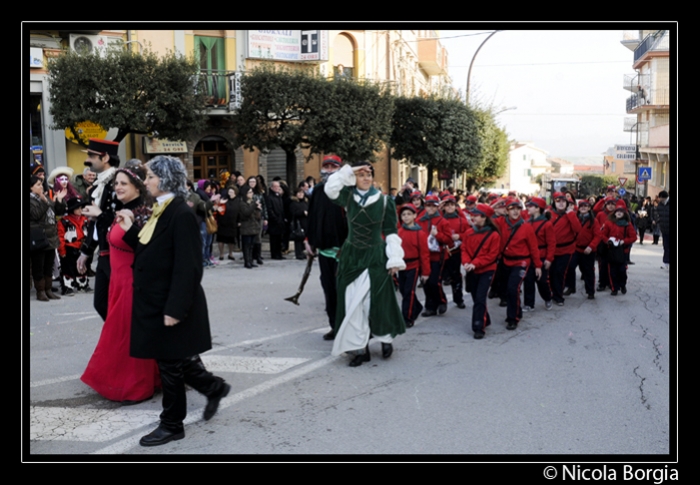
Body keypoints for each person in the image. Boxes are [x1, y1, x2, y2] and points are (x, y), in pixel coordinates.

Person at [124, 155, 230, 447]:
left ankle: (172, 424)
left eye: (150, 177)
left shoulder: (180, 213)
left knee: (170, 364)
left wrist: (175, 308)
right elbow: (151, 250)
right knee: (175, 358)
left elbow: (189, 266)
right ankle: (214, 387)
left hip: (170, 302)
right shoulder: (162, 209)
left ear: (166, 180)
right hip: (157, 299)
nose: (145, 182)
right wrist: (129, 227)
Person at [80, 166, 161, 404]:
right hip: (118, 280)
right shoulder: (119, 208)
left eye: (123, 183)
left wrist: (122, 223)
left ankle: (134, 385)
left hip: (133, 282)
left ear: (137, 185)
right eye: (116, 183)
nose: (118, 187)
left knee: (126, 334)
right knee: (122, 332)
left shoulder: (144, 211)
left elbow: (147, 249)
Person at [325, 161, 406, 367]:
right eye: (361, 175)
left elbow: (390, 231)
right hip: (352, 256)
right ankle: (360, 348)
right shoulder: (348, 197)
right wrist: (349, 170)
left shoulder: (385, 201)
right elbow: (330, 188)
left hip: (375, 256)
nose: (365, 178)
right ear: (355, 178)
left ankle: (386, 338)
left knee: (378, 301)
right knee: (353, 303)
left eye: (369, 175)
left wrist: (394, 258)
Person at [77, 138, 123, 321]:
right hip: (105, 253)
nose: (88, 161)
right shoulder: (98, 185)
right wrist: (86, 251)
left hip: (119, 253)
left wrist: (100, 214)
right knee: (102, 303)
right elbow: (95, 225)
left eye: (91, 156)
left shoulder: (119, 183)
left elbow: (124, 220)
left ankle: (127, 341)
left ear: (105, 158)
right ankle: (121, 340)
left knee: (120, 304)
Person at [304, 154, 348, 340]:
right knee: (329, 290)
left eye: (333, 167)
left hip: (344, 250)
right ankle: (335, 325)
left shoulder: (346, 191)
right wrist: (309, 241)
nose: (329, 170)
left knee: (343, 291)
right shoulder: (319, 191)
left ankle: (347, 327)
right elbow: (312, 218)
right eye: (327, 167)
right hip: (324, 250)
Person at [494, 197, 542, 330]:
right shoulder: (501, 223)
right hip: (505, 261)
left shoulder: (526, 227)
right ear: (506, 211)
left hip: (521, 262)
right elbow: (485, 217)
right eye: (511, 209)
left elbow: (533, 247)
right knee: (506, 290)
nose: (515, 212)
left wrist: (537, 265)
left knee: (513, 288)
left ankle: (512, 318)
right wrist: (497, 204)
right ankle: (517, 311)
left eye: (518, 209)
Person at [461, 203, 501, 339]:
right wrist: (466, 262)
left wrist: (475, 263)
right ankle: (485, 318)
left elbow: (491, 255)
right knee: (475, 297)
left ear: (484, 217)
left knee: (479, 298)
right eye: (472, 215)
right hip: (472, 269)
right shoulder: (468, 232)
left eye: (476, 215)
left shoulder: (494, 235)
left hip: (486, 270)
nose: (472, 217)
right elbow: (464, 249)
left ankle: (479, 327)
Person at [30, 175, 66, 301]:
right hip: (39, 237)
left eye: (41, 184)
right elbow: (35, 214)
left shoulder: (45, 197)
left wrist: (60, 201)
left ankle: (48, 289)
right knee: (38, 265)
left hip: (51, 236)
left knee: (49, 265)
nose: (41, 186)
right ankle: (40, 291)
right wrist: (44, 201)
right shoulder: (31, 200)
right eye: (38, 185)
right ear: (30, 187)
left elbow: (57, 212)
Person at [397, 203, 430, 328]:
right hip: (401, 265)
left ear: (415, 215)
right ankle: (416, 306)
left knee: (408, 292)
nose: (406, 217)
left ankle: (407, 317)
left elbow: (424, 254)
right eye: (403, 214)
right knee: (402, 290)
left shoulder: (420, 234)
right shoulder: (399, 231)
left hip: (413, 265)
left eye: (409, 214)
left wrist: (425, 272)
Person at [522, 197, 555, 312]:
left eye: (531, 206)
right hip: (529, 255)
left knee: (541, 281)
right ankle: (529, 303)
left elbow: (551, 243)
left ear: (537, 209)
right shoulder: (527, 222)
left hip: (542, 255)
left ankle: (547, 298)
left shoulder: (547, 224)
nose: (528, 208)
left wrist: (549, 258)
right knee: (528, 280)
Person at [548, 192, 581, 305]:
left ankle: (558, 296)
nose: (561, 203)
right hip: (551, 250)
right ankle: (553, 292)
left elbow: (577, 229)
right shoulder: (549, 214)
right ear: (554, 202)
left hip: (566, 250)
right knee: (551, 273)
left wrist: (571, 214)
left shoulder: (571, 214)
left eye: (563, 201)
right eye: (558, 201)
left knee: (559, 272)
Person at [600, 200, 637, 295]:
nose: (619, 213)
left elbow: (633, 237)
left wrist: (624, 241)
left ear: (624, 213)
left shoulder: (627, 224)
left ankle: (622, 284)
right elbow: (603, 235)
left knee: (622, 270)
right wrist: (608, 241)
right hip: (611, 250)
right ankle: (614, 288)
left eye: (621, 211)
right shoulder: (609, 223)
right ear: (614, 213)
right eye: (617, 211)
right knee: (612, 271)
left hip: (623, 251)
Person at [57, 196, 91, 296]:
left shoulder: (85, 220)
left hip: (82, 247)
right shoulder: (64, 221)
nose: (80, 210)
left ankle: (83, 285)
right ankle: (68, 287)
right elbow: (60, 237)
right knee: (67, 268)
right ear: (72, 209)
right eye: (78, 208)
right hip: (69, 247)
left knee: (83, 266)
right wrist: (62, 250)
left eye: (81, 208)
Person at [238, 185, 263, 268]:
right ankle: (247, 262)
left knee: (252, 245)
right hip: (246, 227)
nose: (252, 194)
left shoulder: (252, 202)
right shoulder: (242, 203)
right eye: (249, 192)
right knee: (246, 245)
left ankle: (251, 260)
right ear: (245, 193)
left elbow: (257, 216)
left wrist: (258, 209)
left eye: (252, 192)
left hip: (253, 226)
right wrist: (254, 206)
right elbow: (246, 212)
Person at [215, 185, 240, 261]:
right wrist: (220, 204)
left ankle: (230, 253)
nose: (230, 193)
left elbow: (240, 212)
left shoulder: (238, 200)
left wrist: (239, 221)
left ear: (235, 192)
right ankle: (221, 254)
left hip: (233, 223)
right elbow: (218, 210)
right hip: (223, 222)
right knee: (221, 239)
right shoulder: (224, 199)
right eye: (229, 192)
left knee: (231, 239)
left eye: (232, 192)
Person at [266, 180, 287, 260]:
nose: (278, 188)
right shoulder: (270, 197)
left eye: (278, 186)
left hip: (280, 221)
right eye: (276, 186)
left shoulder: (279, 197)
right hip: (274, 222)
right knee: (274, 239)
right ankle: (274, 254)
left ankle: (279, 253)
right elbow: (270, 210)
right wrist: (275, 218)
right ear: (271, 187)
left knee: (279, 239)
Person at [289, 185, 309, 260]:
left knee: (304, 238)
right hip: (298, 223)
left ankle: (303, 252)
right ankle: (298, 253)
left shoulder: (305, 202)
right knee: (298, 239)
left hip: (306, 222)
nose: (301, 195)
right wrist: (302, 212)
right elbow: (293, 212)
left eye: (302, 193)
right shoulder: (293, 203)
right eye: (299, 193)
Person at [655, 190, 670, 269]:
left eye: (659, 198)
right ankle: (666, 262)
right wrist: (656, 221)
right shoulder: (660, 205)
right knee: (666, 246)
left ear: (662, 197)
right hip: (664, 229)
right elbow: (658, 215)